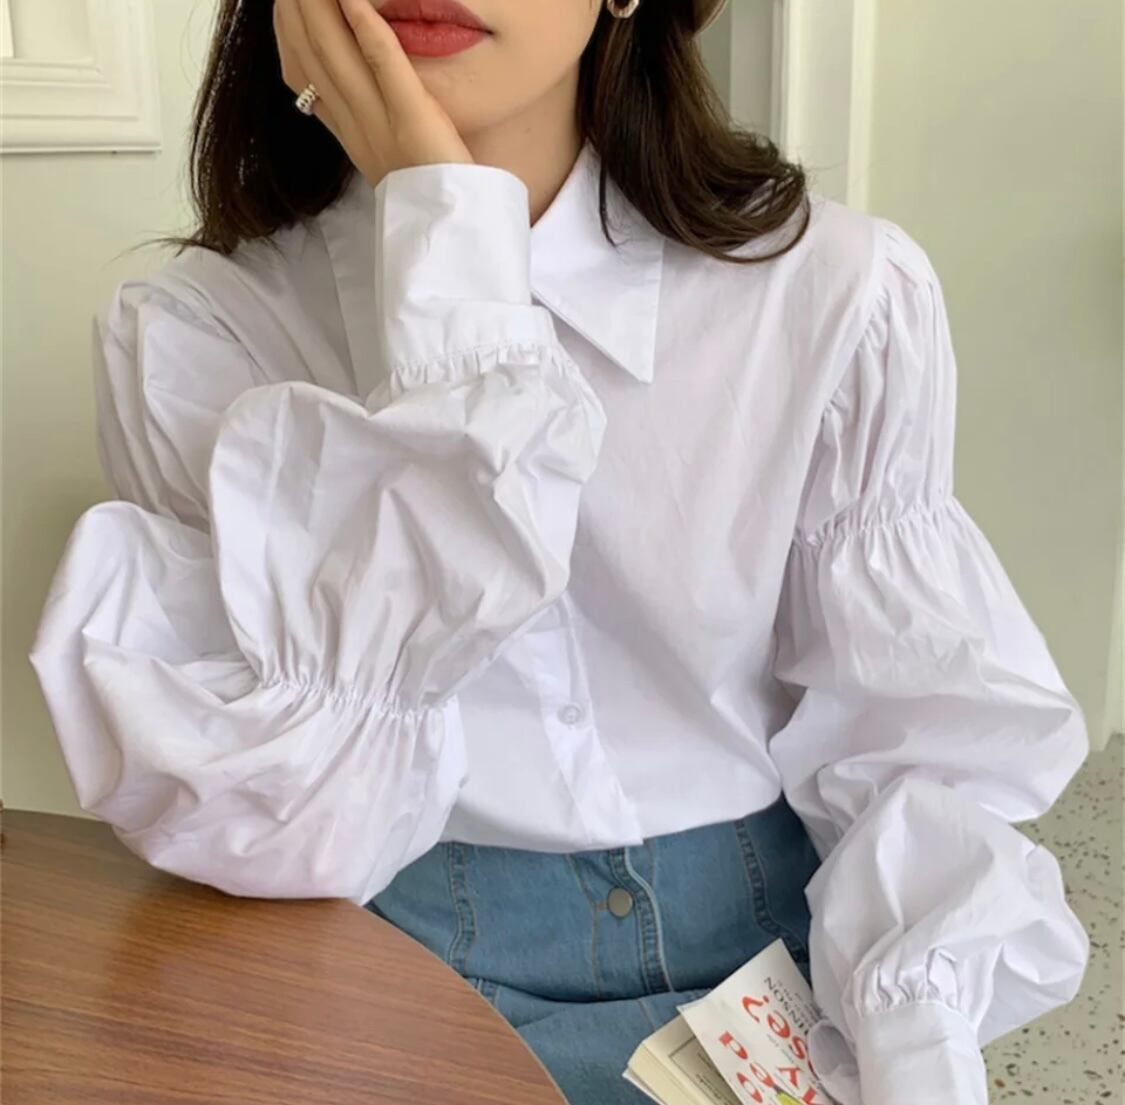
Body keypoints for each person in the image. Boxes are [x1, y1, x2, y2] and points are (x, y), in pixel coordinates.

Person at [29, 1, 1090, 1103]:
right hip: (389, 965)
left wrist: (917, 1043)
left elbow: (906, 737)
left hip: (779, 961)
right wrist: (450, 260)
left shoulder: (832, 290)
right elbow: (286, 824)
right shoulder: (204, 332)